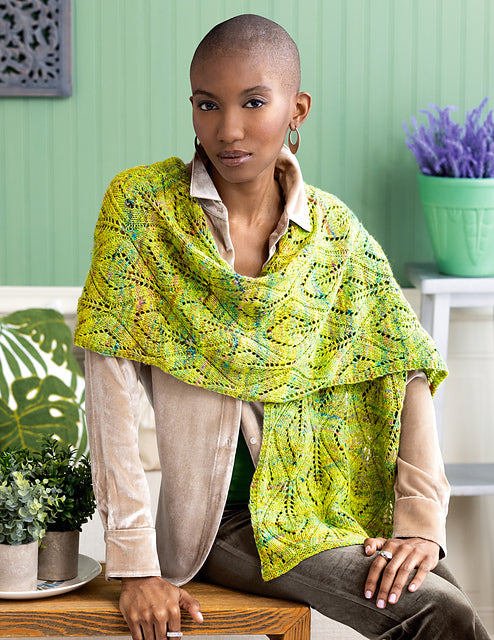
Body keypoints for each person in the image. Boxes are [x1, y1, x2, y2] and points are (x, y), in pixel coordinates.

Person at [74, 14, 490, 640]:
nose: (228, 129)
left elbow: (404, 364)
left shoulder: (332, 233)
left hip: (329, 507)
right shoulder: (142, 211)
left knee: (447, 600)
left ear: (297, 110)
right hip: (221, 525)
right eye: (207, 104)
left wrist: (421, 525)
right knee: (440, 613)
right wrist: (135, 564)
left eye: (253, 102)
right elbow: (107, 386)